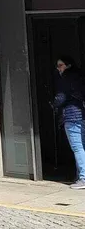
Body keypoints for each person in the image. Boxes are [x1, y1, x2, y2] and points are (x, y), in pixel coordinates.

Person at [54, 56, 85, 189]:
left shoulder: (65, 79)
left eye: (60, 65)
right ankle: (80, 175)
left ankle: (83, 178)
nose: (58, 68)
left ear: (68, 65)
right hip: (82, 115)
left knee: (77, 147)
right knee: (82, 146)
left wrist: (53, 104)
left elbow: (61, 98)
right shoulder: (80, 78)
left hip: (71, 116)